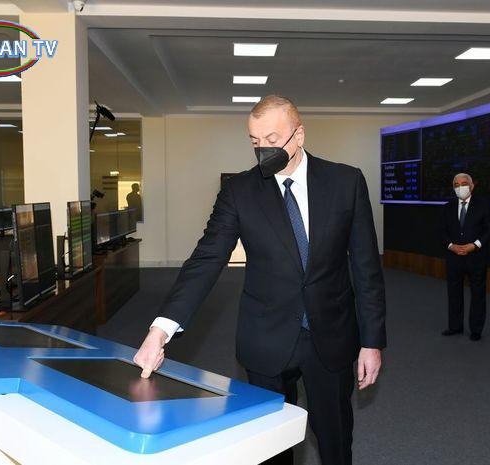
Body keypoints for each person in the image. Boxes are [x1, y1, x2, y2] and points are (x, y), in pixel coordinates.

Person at [134, 95, 386, 465]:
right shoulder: (239, 191)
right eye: (255, 141)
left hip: (331, 335)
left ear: (299, 135)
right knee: (272, 446)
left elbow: (366, 267)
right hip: (266, 338)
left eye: (272, 139)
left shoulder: (346, 182)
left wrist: (372, 342)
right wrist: (161, 329)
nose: (263, 149)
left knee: (335, 440)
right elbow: (207, 259)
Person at [441, 173, 490, 341]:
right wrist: (451, 246)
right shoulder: (447, 207)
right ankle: (455, 326)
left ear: (472, 186)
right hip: (454, 258)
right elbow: (442, 231)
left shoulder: (483, 205)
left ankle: (476, 329)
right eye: (456, 185)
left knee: (478, 294)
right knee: (454, 293)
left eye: (464, 184)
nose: (460, 187)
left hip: (476, 257)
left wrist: (475, 245)